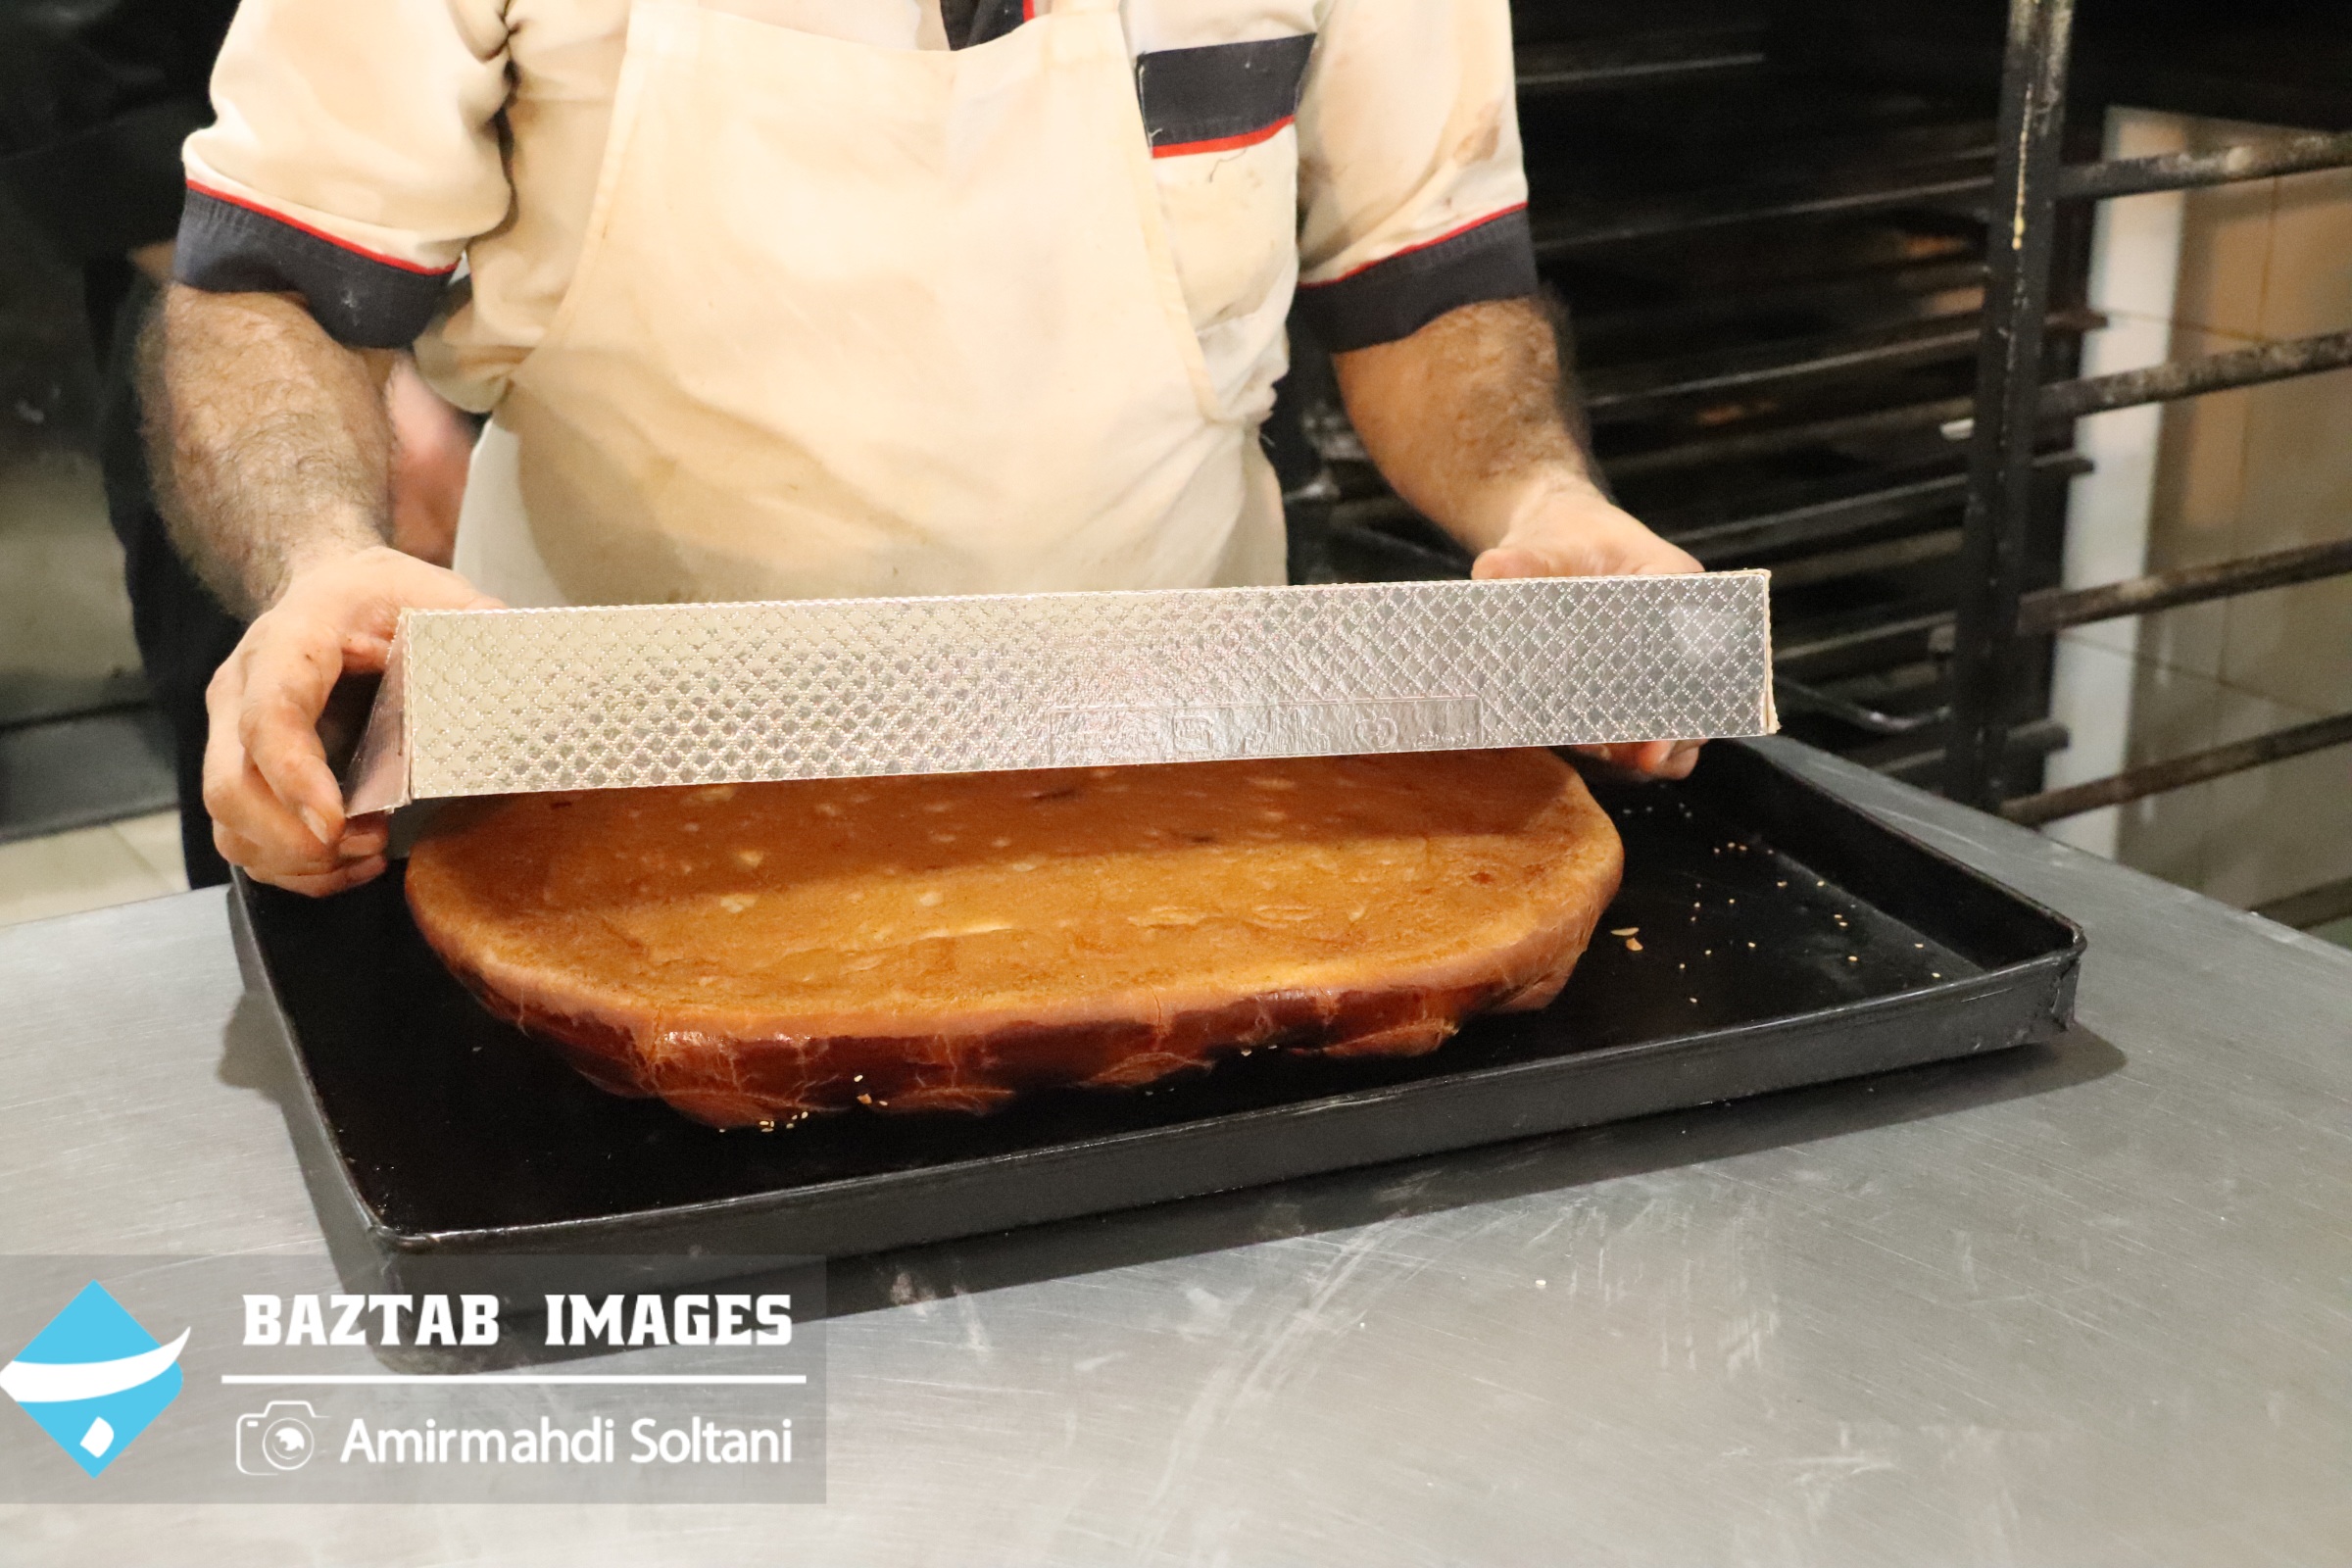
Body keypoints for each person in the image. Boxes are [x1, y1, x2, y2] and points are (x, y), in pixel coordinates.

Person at [149, 0, 1704, 899]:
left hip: (1191, 777)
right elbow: (279, 278)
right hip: (608, 789)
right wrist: (320, 556)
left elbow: (1429, 275)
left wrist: (1535, 493)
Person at [0, 0, 474, 885]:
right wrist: (325, 524)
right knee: (304, 805)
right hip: (259, 348)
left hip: (489, 385)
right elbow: (259, 235)